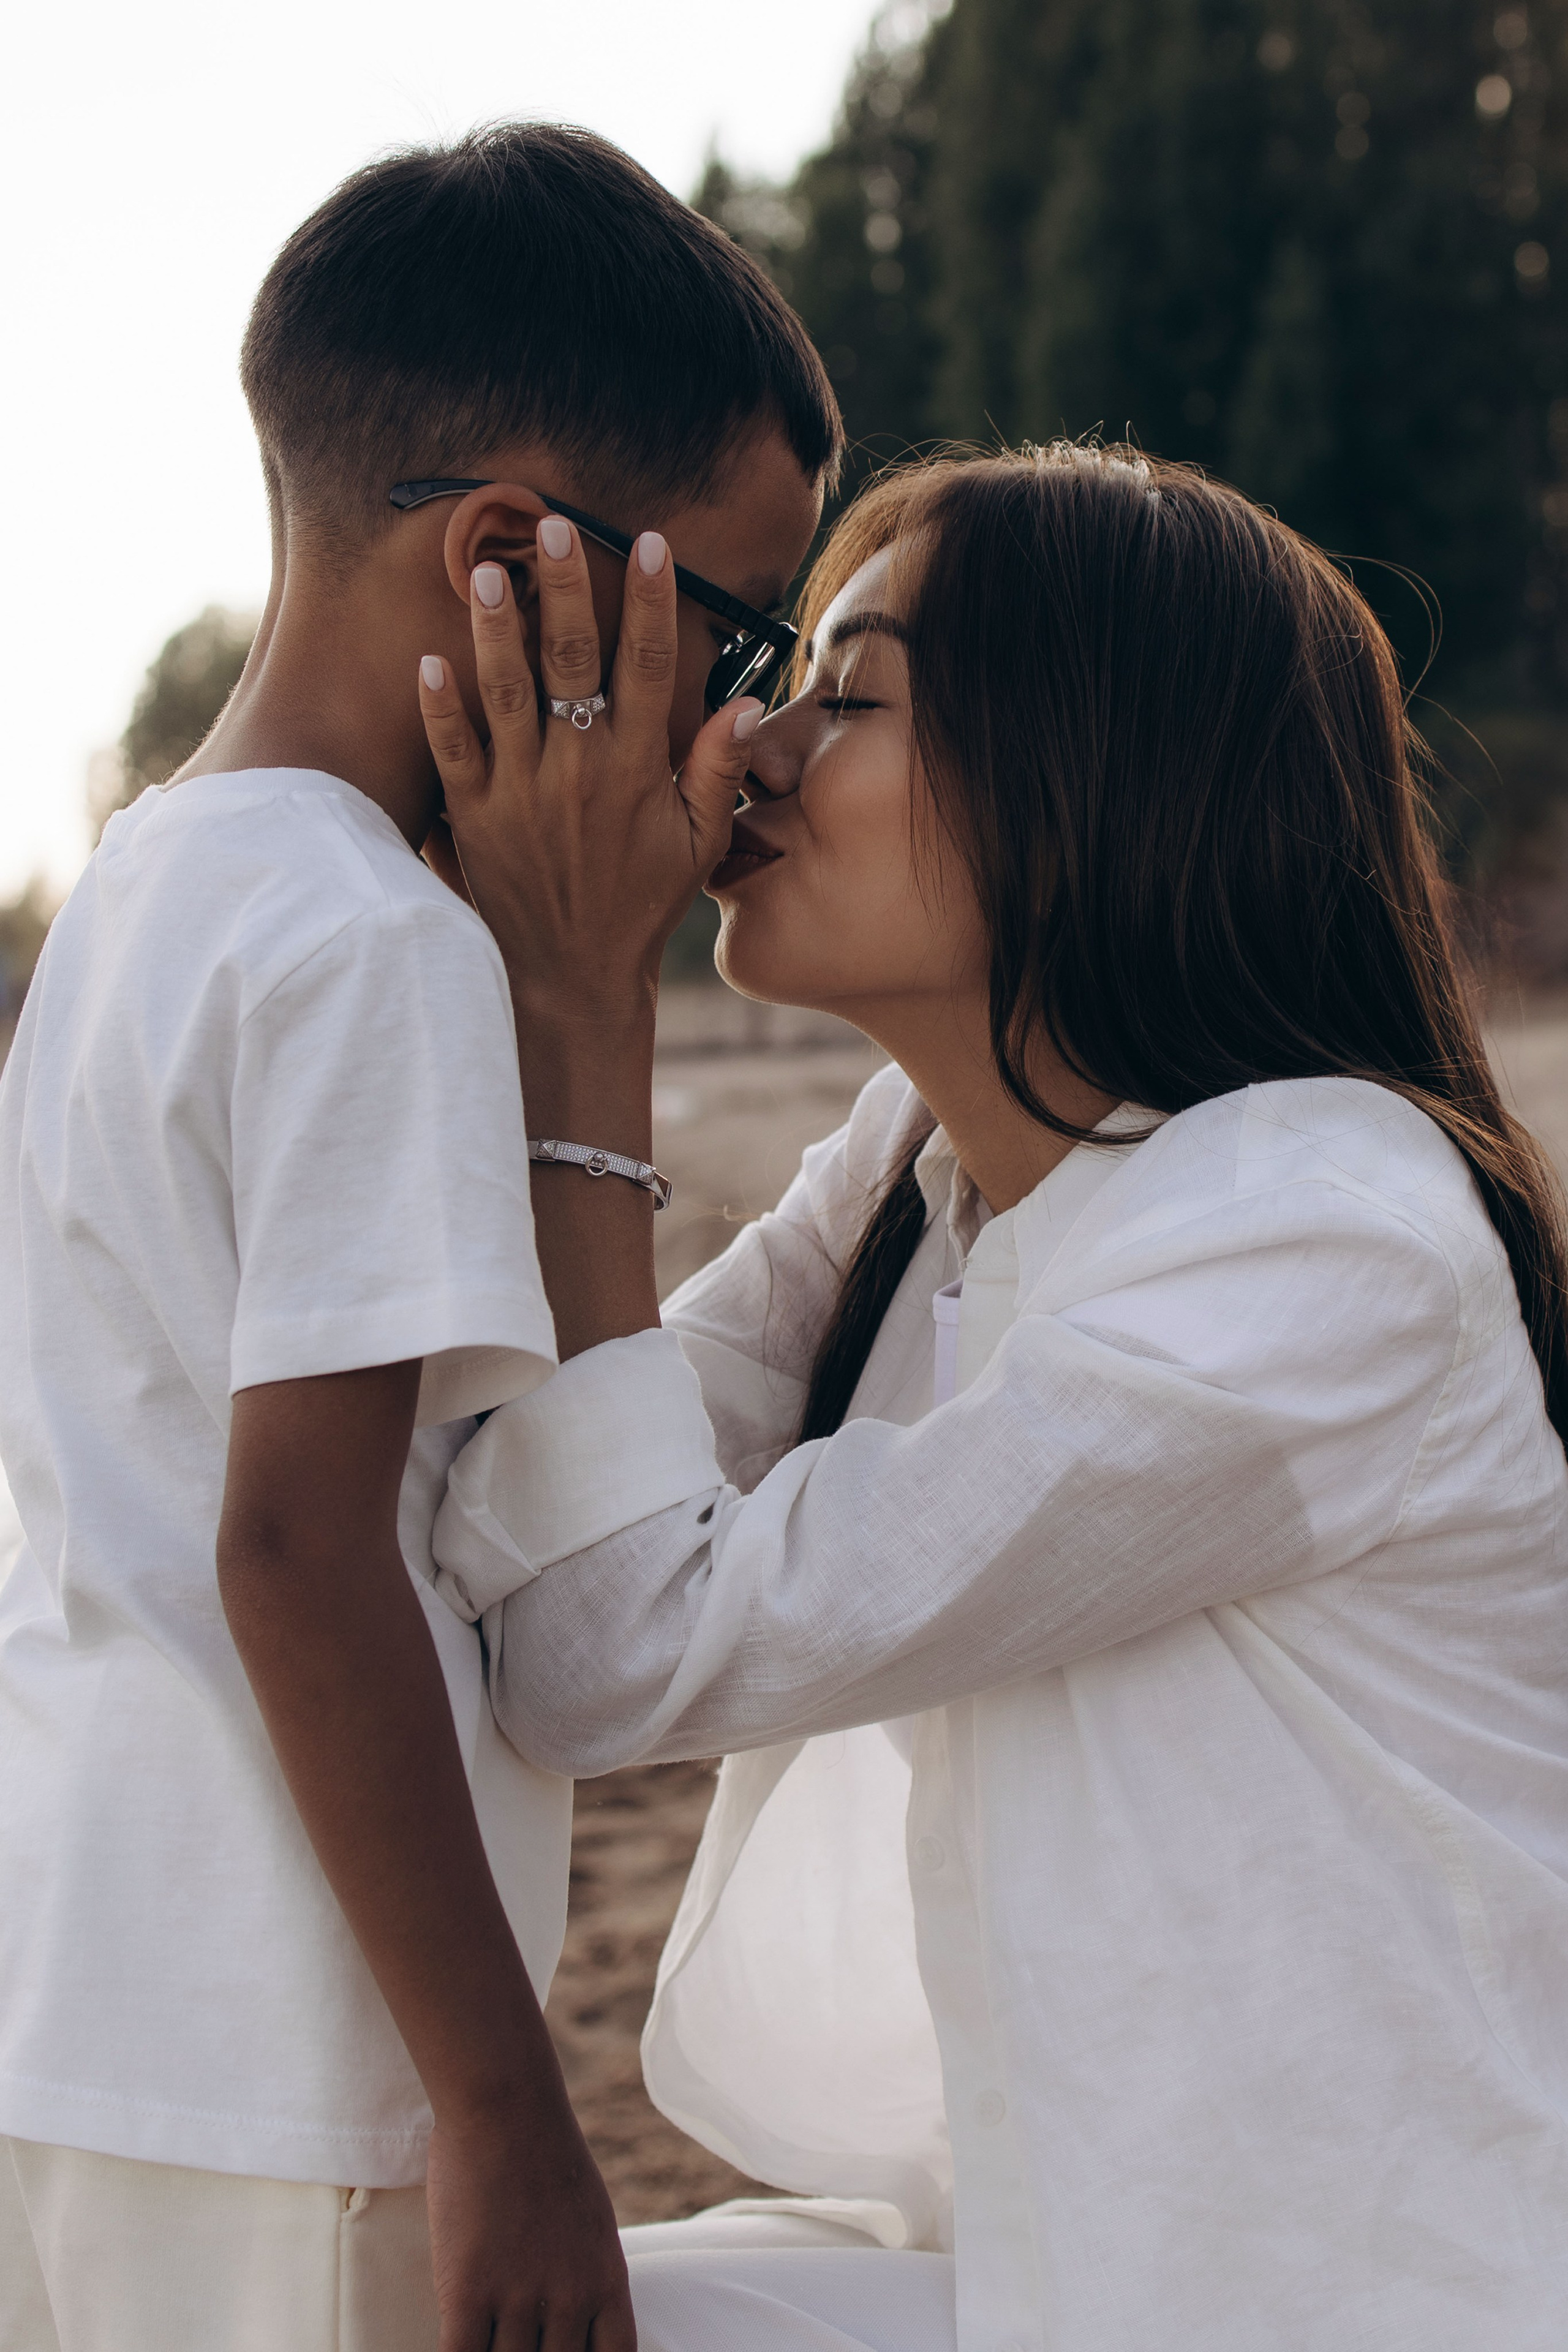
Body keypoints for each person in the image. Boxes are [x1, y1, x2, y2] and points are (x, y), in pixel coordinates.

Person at [421, 443, 1568, 2348]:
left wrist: (585, 1002)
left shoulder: (1323, 1247)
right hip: (1063, 2252)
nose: (758, 753)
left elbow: (611, 1641)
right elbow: (515, 1491)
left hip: (1371, 2294)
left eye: (849, 698)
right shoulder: (929, 1161)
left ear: (1095, 769)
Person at [0, 124, 835, 2352]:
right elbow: (302, 1551)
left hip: (80, 1990)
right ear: (506, 563)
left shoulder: (148, 891)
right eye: (737, 628)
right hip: (289, 2047)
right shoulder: (378, 956)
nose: (747, 722)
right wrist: (502, 2110)